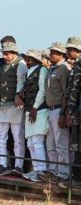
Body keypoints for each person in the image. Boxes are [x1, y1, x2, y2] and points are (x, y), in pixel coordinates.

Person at [0, 42, 27, 177]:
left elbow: (21, 81)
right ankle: (2, 164)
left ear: (14, 53)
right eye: (4, 54)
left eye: (7, 54)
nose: (5, 56)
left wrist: (18, 95)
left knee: (18, 136)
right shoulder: (3, 66)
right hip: (4, 104)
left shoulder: (21, 64)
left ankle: (19, 166)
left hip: (16, 104)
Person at [39, 42, 70, 184]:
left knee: (61, 143)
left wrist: (63, 113)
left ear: (62, 55)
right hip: (50, 109)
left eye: (54, 52)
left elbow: (66, 93)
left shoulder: (64, 69)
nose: (51, 55)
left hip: (58, 109)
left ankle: (63, 173)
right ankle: (53, 171)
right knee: (50, 143)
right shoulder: (52, 68)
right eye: (51, 52)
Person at [19, 49, 49, 182]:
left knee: (37, 141)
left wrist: (35, 107)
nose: (27, 60)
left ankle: (42, 170)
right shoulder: (29, 71)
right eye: (26, 58)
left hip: (39, 110)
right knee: (30, 143)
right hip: (29, 109)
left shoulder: (42, 69)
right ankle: (36, 170)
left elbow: (42, 90)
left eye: (30, 58)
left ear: (36, 59)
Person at [61, 36, 81, 188]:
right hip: (76, 110)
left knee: (77, 146)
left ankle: (76, 179)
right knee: (75, 146)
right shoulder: (76, 64)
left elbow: (75, 89)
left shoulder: (79, 64)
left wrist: (69, 110)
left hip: (77, 111)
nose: (67, 52)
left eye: (69, 49)